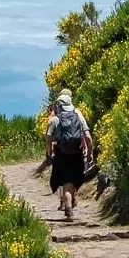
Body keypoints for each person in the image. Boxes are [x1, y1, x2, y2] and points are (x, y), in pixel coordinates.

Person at [46, 90, 92, 219]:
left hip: (61, 153)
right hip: (77, 153)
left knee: (65, 181)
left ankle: (68, 206)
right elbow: (88, 137)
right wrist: (89, 153)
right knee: (73, 180)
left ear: (58, 106)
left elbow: (48, 138)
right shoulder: (78, 115)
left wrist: (49, 153)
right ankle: (69, 204)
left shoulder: (55, 120)